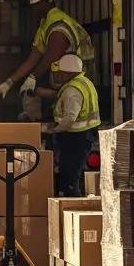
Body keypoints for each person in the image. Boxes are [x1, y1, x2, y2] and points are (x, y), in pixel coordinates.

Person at [0, 0, 93, 102]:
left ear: (47, 2)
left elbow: (52, 55)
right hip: (70, 78)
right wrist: (9, 82)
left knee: (38, 89)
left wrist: (33, 77)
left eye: (36, 5)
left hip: (79, 79)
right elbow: (32, 59)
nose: (34, 10)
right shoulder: (45, 25)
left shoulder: (58, 25)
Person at [43, 53, 100, 197]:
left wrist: (54, 130)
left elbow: (69, 119)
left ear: (68, 73)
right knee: (73, 171)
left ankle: (70, 201)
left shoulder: (72, 91)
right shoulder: (84, 82)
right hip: (84, 134)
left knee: (69, 173)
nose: (58, 76)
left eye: (60, 73)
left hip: (75, 136)